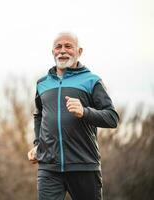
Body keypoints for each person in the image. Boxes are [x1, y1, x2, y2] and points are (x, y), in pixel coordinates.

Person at [27, 32, 119, 200]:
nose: (63, 51)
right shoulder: (42, 83)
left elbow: (112, 118)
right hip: (49, 168)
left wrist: (85, 112)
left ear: (79, 51)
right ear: (52, 52)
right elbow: (39, 115)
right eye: (58, 47)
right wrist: (38, 144)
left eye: (68, 46)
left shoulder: (92, 81)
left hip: (84, 166)